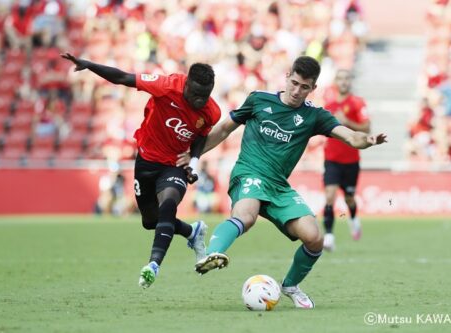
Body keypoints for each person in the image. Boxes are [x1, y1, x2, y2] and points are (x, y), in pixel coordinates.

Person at [179, 56, 387, 308]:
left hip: (278, 186)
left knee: (314, 238)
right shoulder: (258, 100)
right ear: (287, 76)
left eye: (305, 87)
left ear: (313, 89)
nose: (297, 91)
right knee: (246, 216)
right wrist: (194, 155)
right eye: (295, 83)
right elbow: (224, 130)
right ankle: (212, 253)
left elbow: (352, 137)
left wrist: (369, 140)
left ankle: (290, 285)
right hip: (249, 173)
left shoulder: (314, 116)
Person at [61, 52, 221, 289]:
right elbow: (123, 77)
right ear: (186, 84)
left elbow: (201, 136)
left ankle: (153, 265)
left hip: (173, 165)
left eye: (204, 96)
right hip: (146, 162)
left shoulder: (211, 111)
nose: (200, 101)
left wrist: (193, 162)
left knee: (168, 205)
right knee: (150, 220)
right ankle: (192, 231)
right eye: (196, 94)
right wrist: (89, 65)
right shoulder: (166, 87)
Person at [322, 69, 370, 251]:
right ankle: (329, 236)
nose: (343, 82)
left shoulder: (357, 103)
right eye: (340, 79)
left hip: (351, 160)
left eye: (346, 78)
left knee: (349, 198)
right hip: (332, 159)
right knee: (329, 196)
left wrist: (346, 122)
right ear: (336, 82)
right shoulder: (328, 105)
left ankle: (353, 218)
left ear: (350, 81)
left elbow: (367, 127)